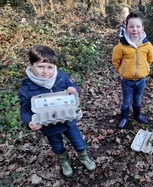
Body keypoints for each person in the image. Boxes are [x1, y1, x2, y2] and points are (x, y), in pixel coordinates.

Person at [18, 45, 97, 177]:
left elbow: (73, 88)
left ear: (55, 66)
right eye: (40, 66)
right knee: (57, 145)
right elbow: (25, 110)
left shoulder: (61, 77)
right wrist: (29, 122)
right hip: (48, 125)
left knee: (78, 141)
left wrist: (73, 90)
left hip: (67, 120)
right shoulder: (26, 88)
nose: (45, 71)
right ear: (31, 65)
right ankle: (64, 160)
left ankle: (83, 156)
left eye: (50, 67)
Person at [112, 12, 153, 128]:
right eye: (131, 26)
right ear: (126, 28)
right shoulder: (121, 45)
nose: (134, 29)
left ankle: (137, 115)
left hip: (141, 79)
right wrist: (123, 70)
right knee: (127, 100)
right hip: (127, 81)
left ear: (142, 28)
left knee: (137, 99)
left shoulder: (147, 45)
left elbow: (150, 59)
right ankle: (125, 117)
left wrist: (144, 69)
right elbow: (116, 60)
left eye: (137, 26)